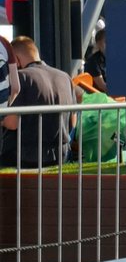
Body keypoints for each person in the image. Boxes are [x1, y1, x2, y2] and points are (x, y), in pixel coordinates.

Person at [0, 36, 75, 168]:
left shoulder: (22, 77)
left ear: (16, 60)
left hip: (23, 155)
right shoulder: (65, 77)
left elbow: (12, 123)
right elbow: (72, 121)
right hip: (60, 154)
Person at [83, 26, 108, 94]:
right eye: (106, 41)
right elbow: (103, 86)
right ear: (98, 44)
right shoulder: (93, 62)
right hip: (100, 99)